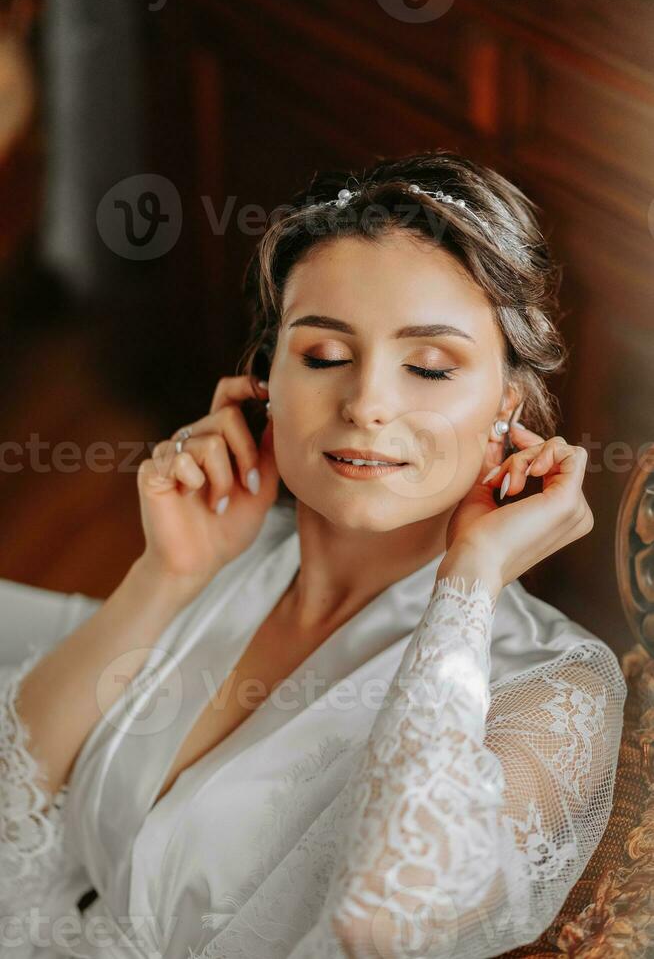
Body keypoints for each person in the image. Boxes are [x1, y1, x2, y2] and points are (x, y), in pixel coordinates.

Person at [0, 150, 627, 959]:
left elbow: (385, 924)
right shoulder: (229, 557)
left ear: (507, 404)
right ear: (267, 378)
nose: (367, 404)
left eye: (431, 368)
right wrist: (165, 577)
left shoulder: (551, 685)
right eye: (325, 357)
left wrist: (468, 582)